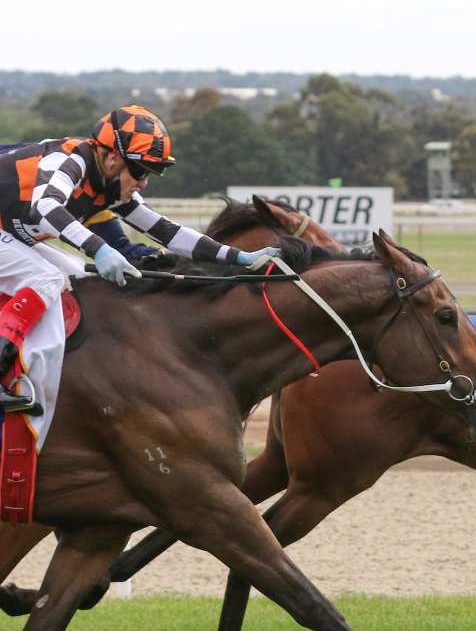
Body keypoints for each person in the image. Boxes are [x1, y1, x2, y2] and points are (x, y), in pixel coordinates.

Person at [0, 104, 278, 412]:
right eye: (140, 170)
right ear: (111, 158)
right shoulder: (70, 160)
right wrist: (99, 248)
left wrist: (237, 257)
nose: (144, 182)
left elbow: (168, 232)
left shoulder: (111, 186)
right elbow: (46, 208)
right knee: (47, 278)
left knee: (80, 277)